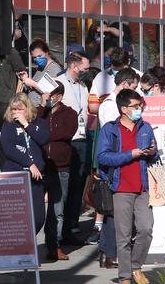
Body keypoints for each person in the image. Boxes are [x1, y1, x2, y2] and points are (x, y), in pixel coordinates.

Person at [97, 89, 157, 284]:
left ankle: (135, 267)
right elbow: (102, 157)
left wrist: (152, 152)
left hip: (143, 187)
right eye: (135, 106)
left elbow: (154, 155)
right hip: (120, 187)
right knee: (123, 236)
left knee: (146, 229)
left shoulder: (145, 127)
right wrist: (129, 154)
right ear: (124, 109)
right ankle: (124, 276)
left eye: (140, 105)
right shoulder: (110, 129)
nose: (139, 109)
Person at [95, 68, 140, 268]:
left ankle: (107, 252)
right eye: (133, 87)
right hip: (115, 164)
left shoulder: (114, 104)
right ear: (124, 84)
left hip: (123, 162)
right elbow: (112, 135)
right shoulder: (110, 106)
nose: (135, 92)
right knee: (112, 212)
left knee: (113, 212)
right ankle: (109, 253)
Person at [37, 81, 79, 260]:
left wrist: (42, 134)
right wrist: (41, 107)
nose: (47, 98)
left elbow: (65, 134)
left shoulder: (69, 113)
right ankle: (30, 244)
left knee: (57, 209)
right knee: (35, 210)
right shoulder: (41, 113)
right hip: (39, 167)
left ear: (59, 97)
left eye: (50, 95)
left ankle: (55, 245)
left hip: (60, 167)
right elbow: (32, 126)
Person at [0, 93, 50, 234]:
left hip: (36, 178)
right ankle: (19, 248)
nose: (16, 113)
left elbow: (43, 139)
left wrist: (26, 125)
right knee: (16, 218)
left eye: (20, 109)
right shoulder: (8, 125)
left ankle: (27, 242)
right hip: (15, 175)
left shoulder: (39, 123)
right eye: (14, 109)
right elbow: (9, 150)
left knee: (39, 218)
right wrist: (29, 163)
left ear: (28, 109)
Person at [55, 51, 91, 244]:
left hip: (82, 138)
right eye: (84, 68)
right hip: (67, 140)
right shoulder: (58, 82)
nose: (87, 71)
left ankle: (71, 227)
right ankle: (59, 234)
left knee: (78, 185)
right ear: (74, 66)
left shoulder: (83, 85)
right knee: (65, 188)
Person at [89, 47, 142, 115]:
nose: (118, 73)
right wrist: (110, 110)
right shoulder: (101, 78)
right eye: (114, 69)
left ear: (128, 62)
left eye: (121, 70)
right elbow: (93, 107)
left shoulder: (139, 77)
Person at [20, 39, 64, 106]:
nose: (37, 59)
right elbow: (35, 89)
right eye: (34, 57)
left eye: (40, 56)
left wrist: (33, 83)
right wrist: (26, 80)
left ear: (46, 52)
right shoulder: (40, 68)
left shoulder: (54, 69)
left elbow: (51, 93)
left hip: (42, 109)